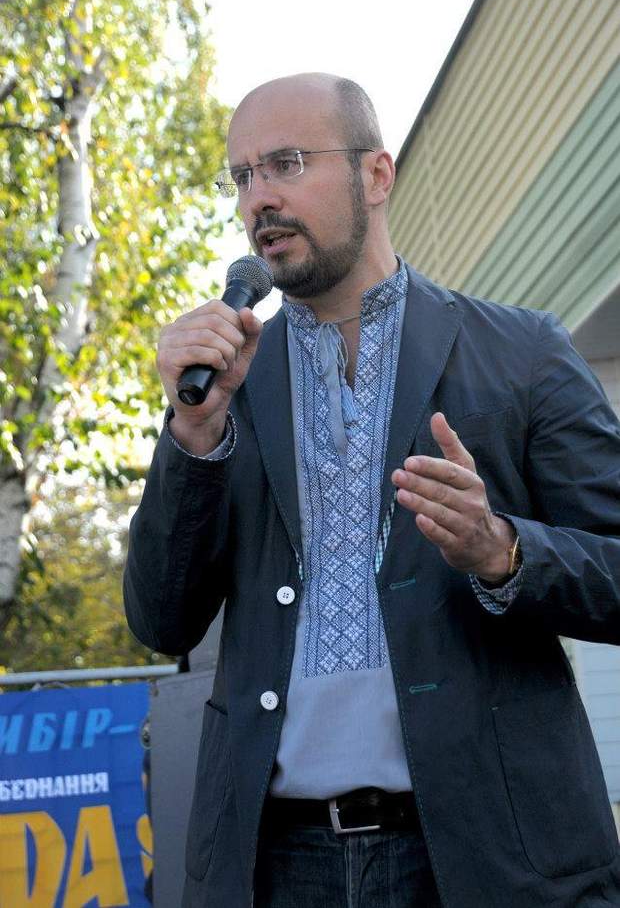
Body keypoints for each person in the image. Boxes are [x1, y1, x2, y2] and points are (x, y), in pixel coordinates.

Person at [124, 73, 620, 908]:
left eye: (286, 163)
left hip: (490, 857)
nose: (258, 198)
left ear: (376, 175)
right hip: (274, 864)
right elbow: (160, 618)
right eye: (242, 176)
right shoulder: (225, 387)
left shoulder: (521, 352)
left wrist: (506, 553)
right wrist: (192, 439)